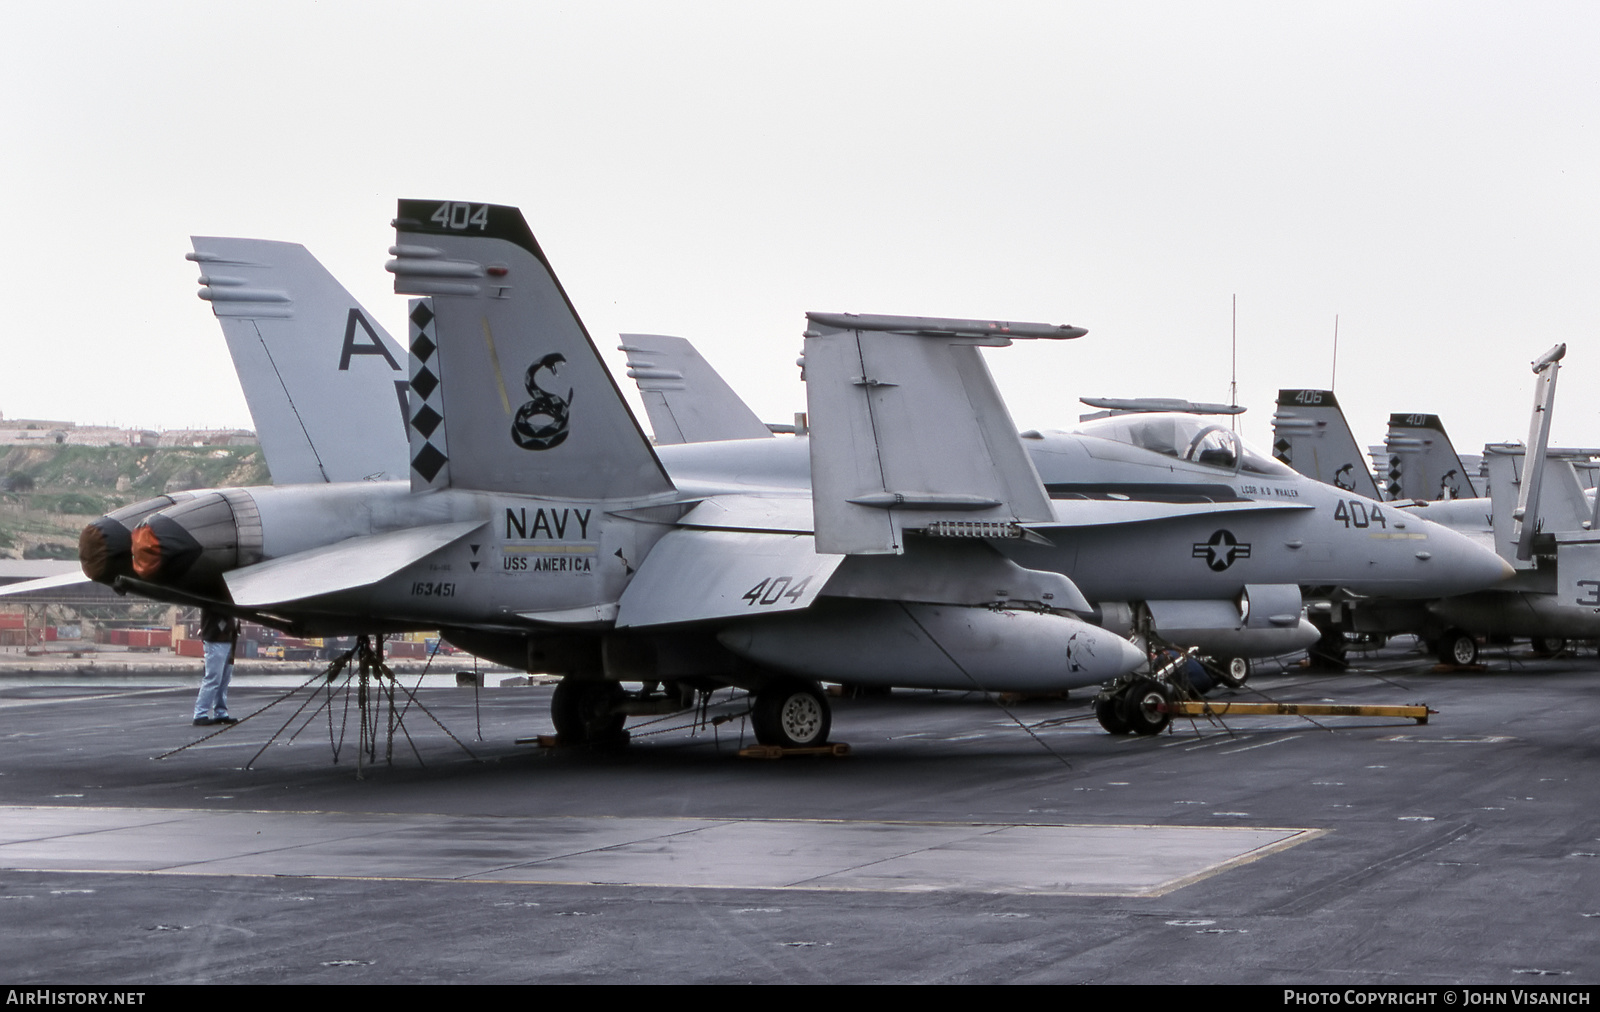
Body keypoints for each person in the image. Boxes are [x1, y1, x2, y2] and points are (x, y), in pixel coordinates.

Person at [192, 609, 238, 726]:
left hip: (227, 639)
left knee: (223, 679)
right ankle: (200, 714)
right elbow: (220, 616)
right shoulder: (214, 600)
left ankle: (220, 712)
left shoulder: (219, 599)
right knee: (214, 678)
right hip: (217, 640)